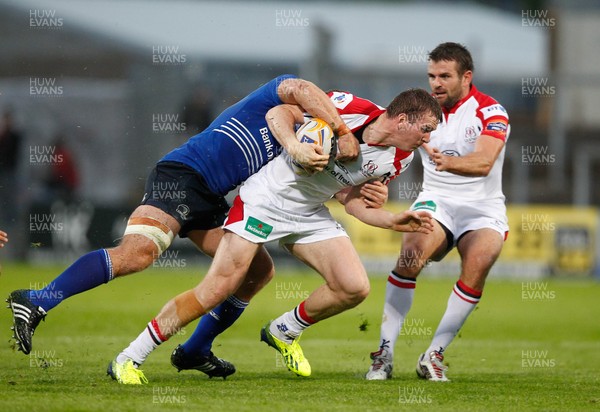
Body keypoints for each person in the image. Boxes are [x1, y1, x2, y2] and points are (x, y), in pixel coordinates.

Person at [6, 74, 365, 376]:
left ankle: (196, 349)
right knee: (139, 254)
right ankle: (37, 299)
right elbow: (301, 88)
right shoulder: (279, 98)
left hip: (211, 196)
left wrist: (357, 190)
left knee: (256, 271)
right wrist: (340, 127)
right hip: (181, 176)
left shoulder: (307, 130)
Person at [107, 87, 442, 384]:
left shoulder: (399, 158)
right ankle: (129, 357)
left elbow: (352, 203)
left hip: (309, 212)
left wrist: (392, 220)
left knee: (354, 286)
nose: (427, 139)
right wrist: (295, 146)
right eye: (425, 130)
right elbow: (278, 112)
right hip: (266, 200)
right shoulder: (346, 106)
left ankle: (284, 331)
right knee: (218, 287)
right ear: (401, 120)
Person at [365, 42, 510, 382]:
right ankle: (383, 353)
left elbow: (486, 160)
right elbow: (380, 139)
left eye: (445, 76)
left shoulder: (491, 111)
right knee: (411, 253)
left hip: (482, 208)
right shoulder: (419, 112)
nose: (436, 84)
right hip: (437, 200)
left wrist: (450, 162)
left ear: (466, 76)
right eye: (431, 76)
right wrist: (370, 180)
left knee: (482, 259)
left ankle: (434, 355)